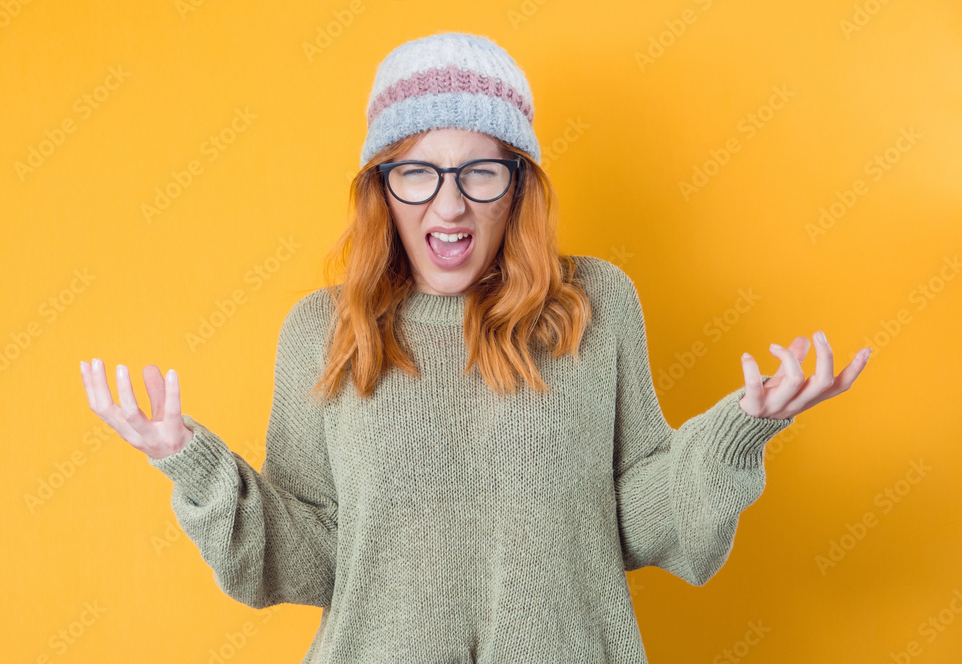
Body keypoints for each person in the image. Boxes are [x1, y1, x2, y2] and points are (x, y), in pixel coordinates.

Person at [79, 31, 871, 663]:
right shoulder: (322, 332)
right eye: (416, 172)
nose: (449, 204)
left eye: (480, 172)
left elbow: (632, 521)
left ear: (519, 185)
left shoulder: (593, 306)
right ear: (380, 188)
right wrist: (191, 460)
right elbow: (314, 556)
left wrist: (741, 427)